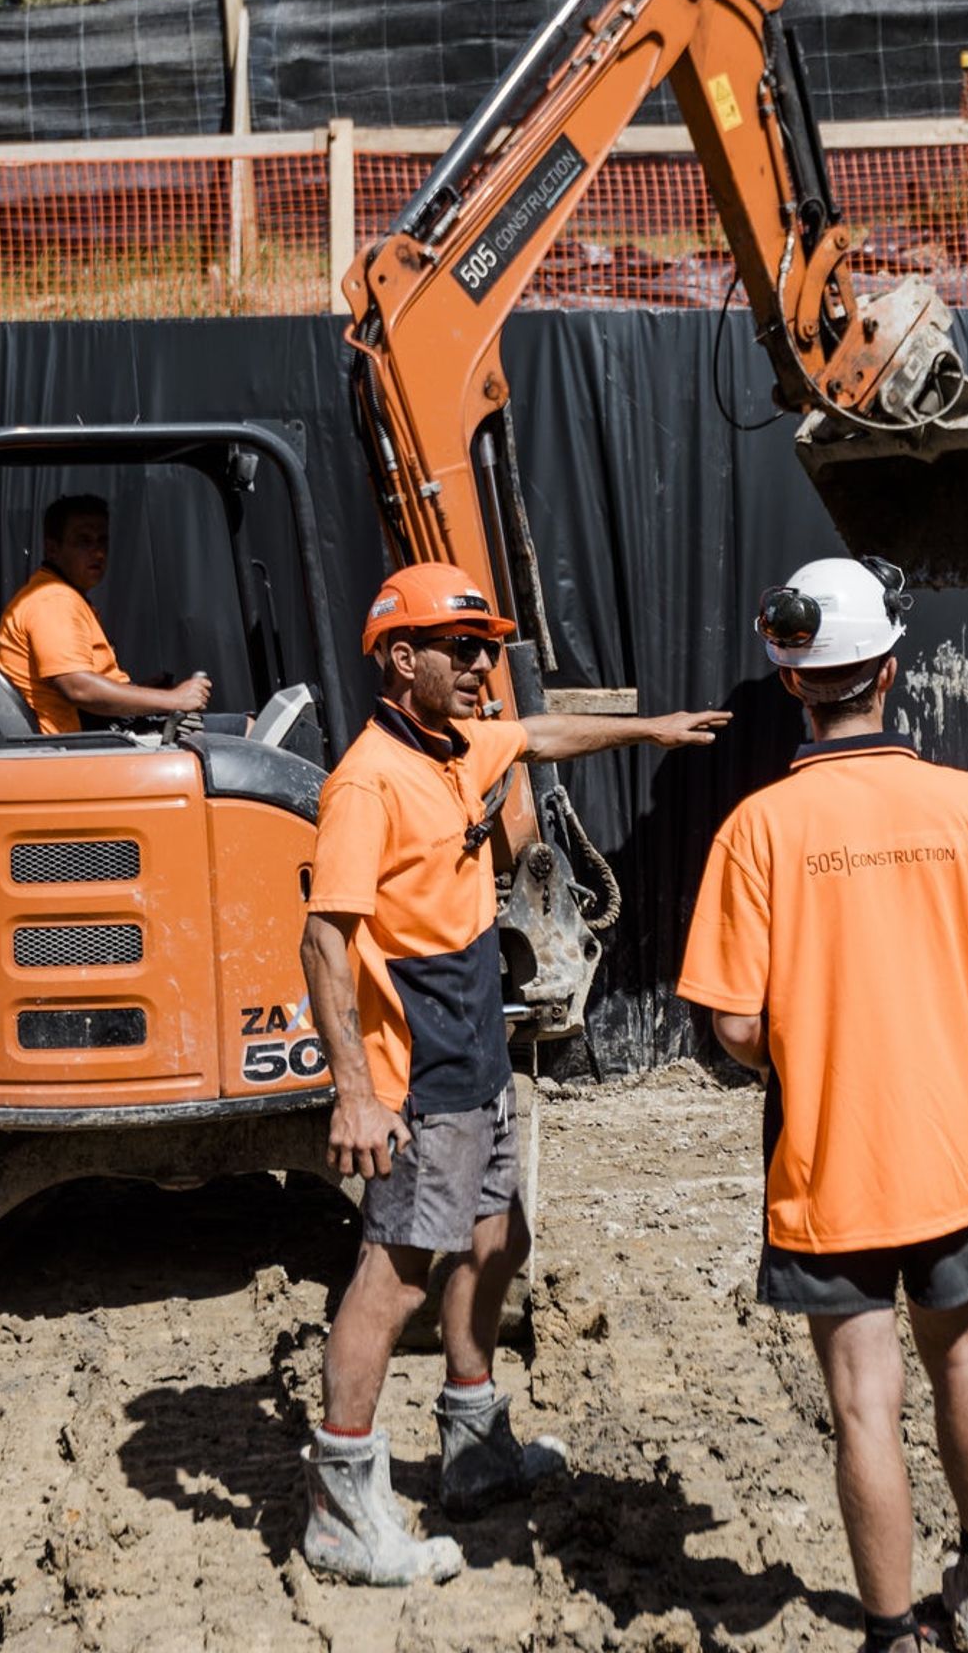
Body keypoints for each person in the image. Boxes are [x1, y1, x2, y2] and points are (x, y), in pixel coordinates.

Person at [297, 561, 731, 1587]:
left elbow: (536, 736)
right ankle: (341, 1502)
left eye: (487, 646)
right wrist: (356, 1089)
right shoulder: (369, 779)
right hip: (416, 1064)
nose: (483, 664)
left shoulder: (456, 745)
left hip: (477, 1040)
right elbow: (323, 939)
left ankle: (473, 1441)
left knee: (500, 1236)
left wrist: (650, 727)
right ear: (402, 659)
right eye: (463, 648)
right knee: (396, 1268)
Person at [675, 557, 968, 1653]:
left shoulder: (756, 830)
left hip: (827, 1166)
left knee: (862, 1400)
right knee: (965, 1356)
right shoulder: (967, 807)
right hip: (949, 1151)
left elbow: (737, 1028)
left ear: (797, 683)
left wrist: (810, 1057)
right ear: (892, 669)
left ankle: (890, 1633)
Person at [0, 494, 213, 733]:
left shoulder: (62, 595)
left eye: (102, 541)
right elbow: (78, 688)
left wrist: (141, 691)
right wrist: (175, 700)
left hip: (100, 729)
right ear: (53, 549)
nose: (98, 553)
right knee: (246, 729)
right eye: (84, 541)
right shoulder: (53, 599)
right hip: (80, 743)